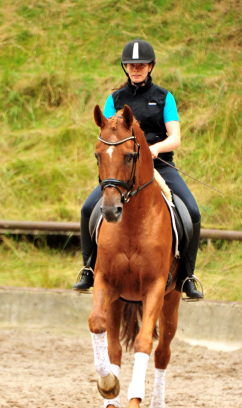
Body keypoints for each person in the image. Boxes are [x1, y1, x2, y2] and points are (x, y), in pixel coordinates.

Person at [73, 39, 203, 299]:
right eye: (131, 65)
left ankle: (187, 276)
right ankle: (88, 268)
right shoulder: (115, 99)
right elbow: (109, 134)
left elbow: (175, 137)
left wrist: (156, 149)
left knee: (192, 211)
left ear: (150, 66)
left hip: (159, 165)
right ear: (126, 68)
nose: (136, 69)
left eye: (141, 65)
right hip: (123, 169)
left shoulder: (164, 98)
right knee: (88, 208)